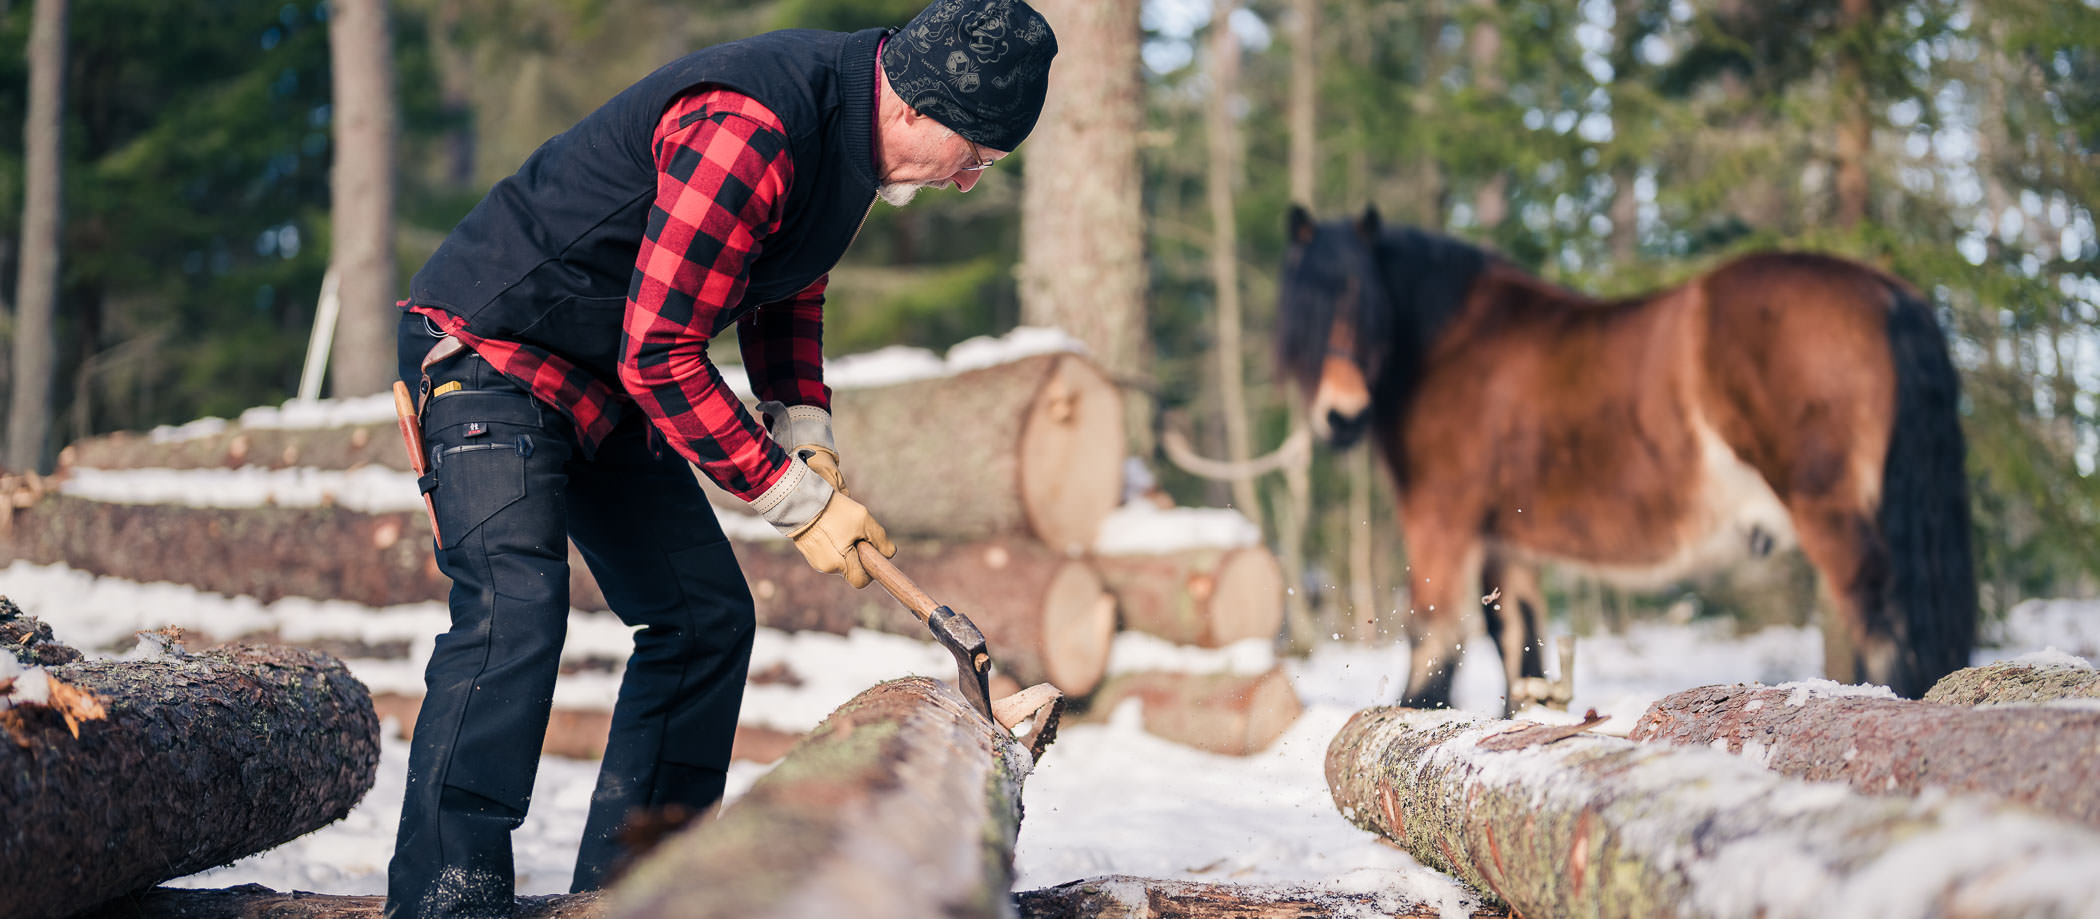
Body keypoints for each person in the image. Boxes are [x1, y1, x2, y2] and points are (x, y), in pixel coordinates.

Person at [383, 1, 1057, 915]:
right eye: (976, 156)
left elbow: (788, 287)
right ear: (916, 109)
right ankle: (445, 895)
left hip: (602, 379)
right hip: (490, 352)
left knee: (704, 619)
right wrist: (792, 501)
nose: (972, 182)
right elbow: (660, 351)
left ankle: (641, 885)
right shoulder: (752, 125)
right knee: (515, 607)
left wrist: (804, 429)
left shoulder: (852, 142)